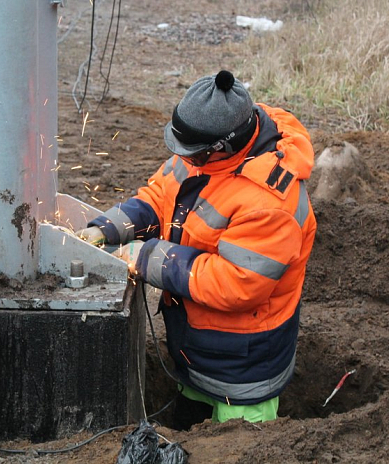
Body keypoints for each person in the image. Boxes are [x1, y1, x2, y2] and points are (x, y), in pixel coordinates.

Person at [77, 70, 317, 428]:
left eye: (194, 154)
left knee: (237, 449)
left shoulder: (268, 201)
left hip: (243, 365)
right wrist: (108, 228)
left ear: (222, 146)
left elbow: (236, 284)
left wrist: (145, 257)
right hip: (196, 345)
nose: (185, 159)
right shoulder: (202, 150)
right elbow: (161, 196)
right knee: (189, 422)